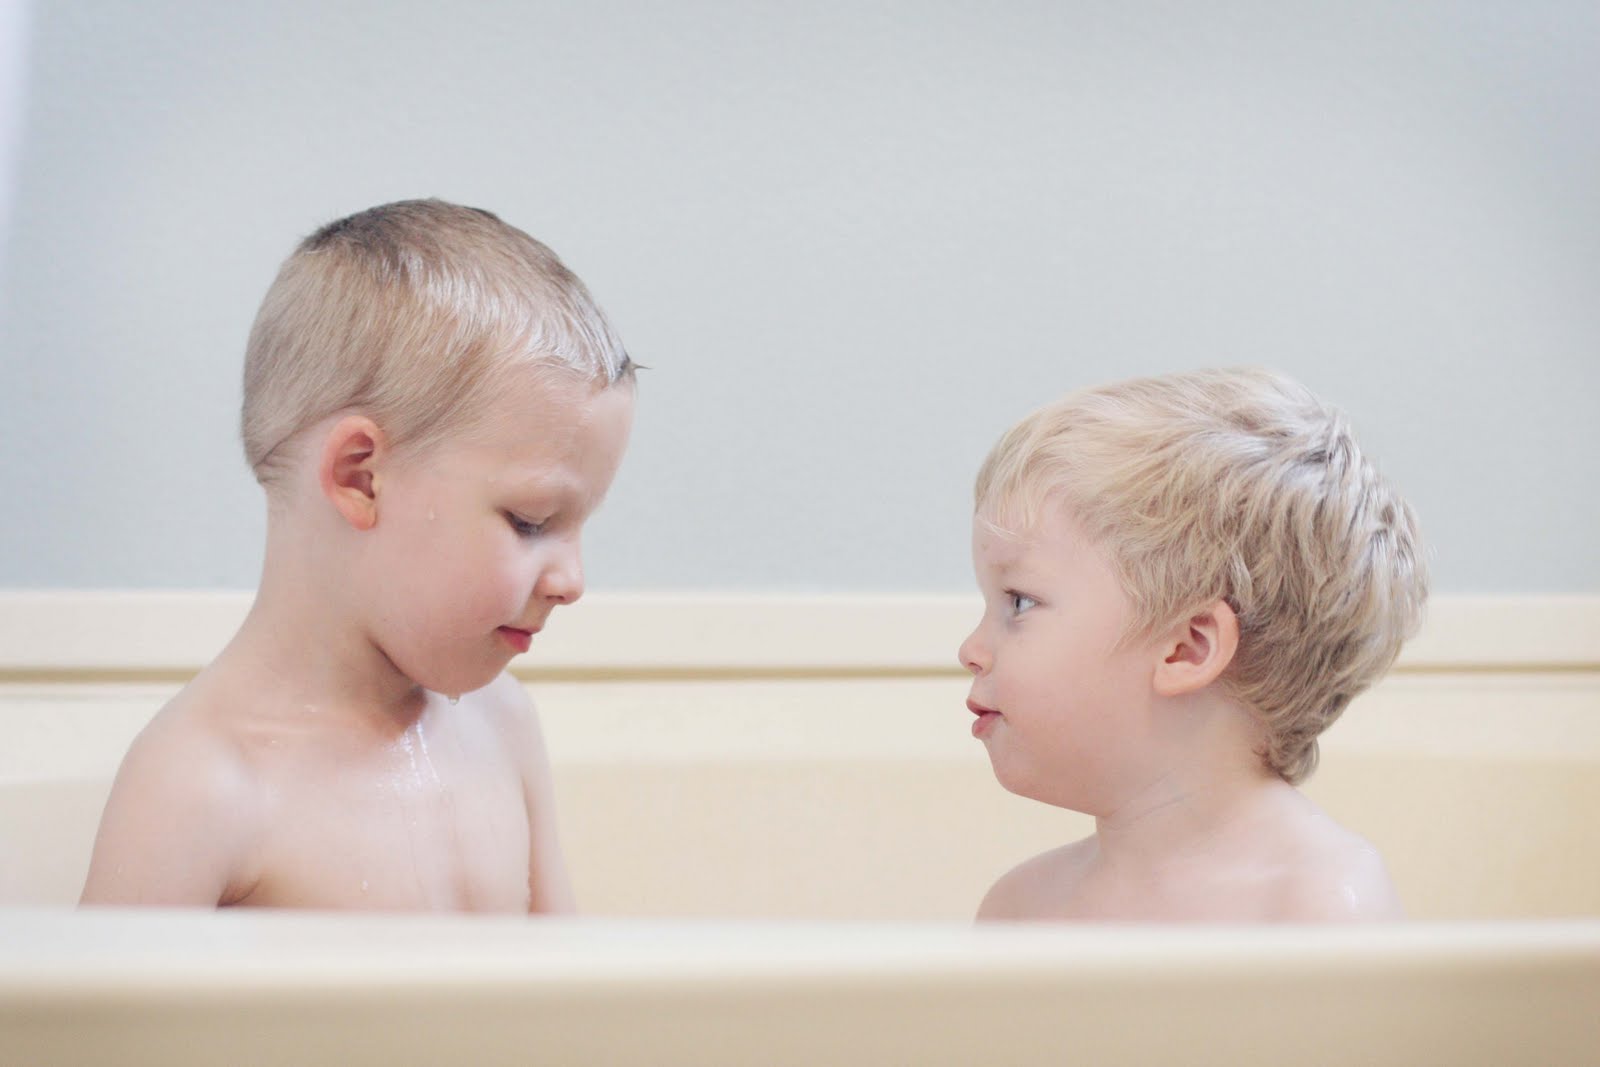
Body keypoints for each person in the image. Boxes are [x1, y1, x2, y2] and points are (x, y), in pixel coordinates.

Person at [80, 199, 635, 911]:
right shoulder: (203, 788)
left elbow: (568, 976)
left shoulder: (501, 724)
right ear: (360, 477)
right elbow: (103, 992)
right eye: (530, 522)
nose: (572, 581)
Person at [962, 368, 1425, 921]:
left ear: (1187, 648)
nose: (970, 649)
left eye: (1019, 602)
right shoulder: (1021, 910)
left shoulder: (1319, 904)